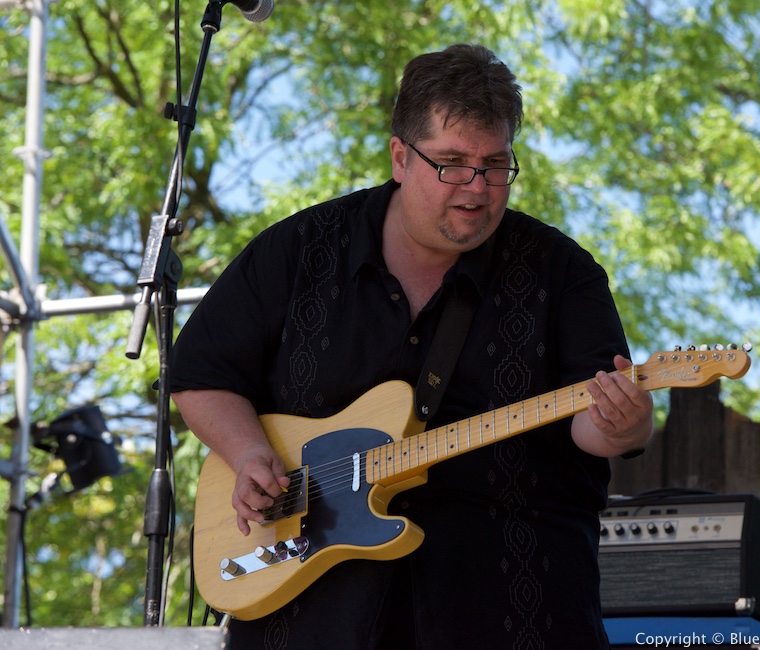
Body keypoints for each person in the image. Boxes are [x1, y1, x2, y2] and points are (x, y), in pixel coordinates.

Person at [171, 43, 653, 649]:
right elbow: (199, 373)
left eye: (496, 165)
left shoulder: (563, 273)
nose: (477, 188)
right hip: (309, 619)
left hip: (510, 612)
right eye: (452, 163)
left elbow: (598, 431)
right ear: (401, 157)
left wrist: (625, 424)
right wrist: (247, 454)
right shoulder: (300, 250)